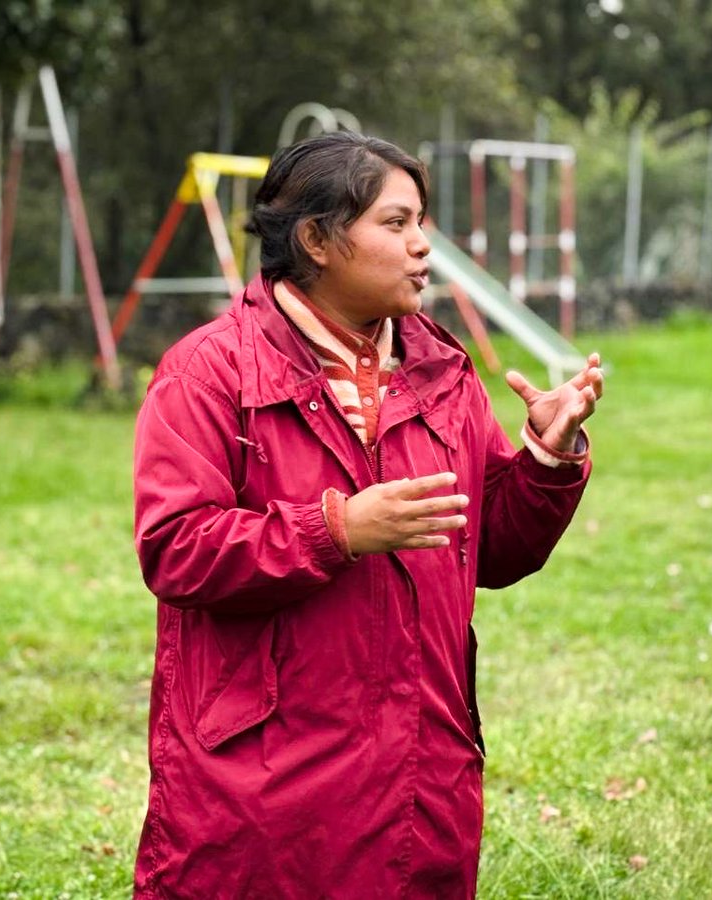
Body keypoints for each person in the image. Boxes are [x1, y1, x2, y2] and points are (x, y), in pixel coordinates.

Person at [131, 132, 602, 899]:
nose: (423, 247)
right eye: (396, 223)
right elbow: (176, 548)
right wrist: (337, 529)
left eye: (422, 223)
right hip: (261, 787)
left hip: (422, 774)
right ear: (316, 240)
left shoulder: (442, 370)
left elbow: (491, 549)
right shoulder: (208, 372)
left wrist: (548, 458)